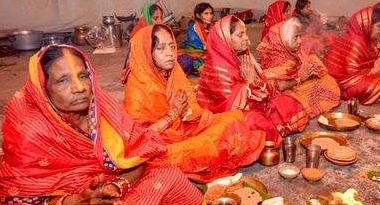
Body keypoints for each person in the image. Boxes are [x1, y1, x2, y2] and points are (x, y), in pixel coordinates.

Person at [0, 45, 208, 205]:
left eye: (83, 76)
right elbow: (19, 200)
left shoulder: (102, 106)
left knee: (169, 175)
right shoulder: (30, 129)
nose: (79, 88)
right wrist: (76, 203)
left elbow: (139, 153)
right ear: (43, 89)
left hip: (114, 193)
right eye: (62, 80)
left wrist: (116, 188)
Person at [123, 24, 266, 183]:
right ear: (147, 54)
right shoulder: (138, 90)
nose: (170, 54)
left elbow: (192, 110)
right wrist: (172, 115)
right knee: (203, 145)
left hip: (184, 128)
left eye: (172, 46)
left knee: (234, 119)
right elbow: (138, 141)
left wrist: (185, 116)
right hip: (160, 147)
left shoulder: (173, 72)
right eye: (161, 48)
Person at [197, 15, 309, 145]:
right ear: (225, 39)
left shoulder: (241, 57)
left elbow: (266, 88)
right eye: (240, 35)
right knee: (256, 122)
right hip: (225, 116)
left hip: (250, 104)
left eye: (245, 33)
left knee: (287, 102)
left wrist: (254, 82)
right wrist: (249, 82)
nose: (246, 38)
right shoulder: (216, 70)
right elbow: (230, 108)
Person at [323, 6, 380, 105]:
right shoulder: (356, 43)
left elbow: (368, 62)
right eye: (379, 26)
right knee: (377, 84)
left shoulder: (366, 37)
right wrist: (374, 70)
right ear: (366, 25)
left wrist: (379, 65)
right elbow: (351, 78)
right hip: (342, 84)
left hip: (362, 75)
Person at [256, 17, 341, 118]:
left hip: (296, 83)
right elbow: (280, 86)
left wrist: (311, 69)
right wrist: (300, 78)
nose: (300, 41)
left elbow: (307, 63)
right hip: (283, 92)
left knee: (328, 80)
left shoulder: (294, 51)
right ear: (283, 40)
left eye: (300, 36)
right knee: (289, 102)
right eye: (295, 37)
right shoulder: (276, 56)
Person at [178, 2, 215, 75]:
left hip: (206, 51)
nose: (210, 16)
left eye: (211, 13)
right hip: (194, 51)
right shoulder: (193, 26)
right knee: (199, 65)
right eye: (206, 13)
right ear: (198, 15)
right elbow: (195, 45)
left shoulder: (211, 26)